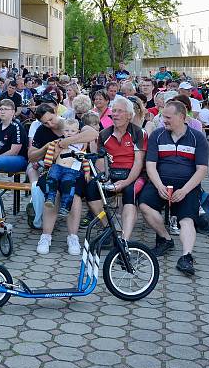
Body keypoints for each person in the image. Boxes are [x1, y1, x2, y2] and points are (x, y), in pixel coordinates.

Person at [139, 100, 209, 276]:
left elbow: (202, 170)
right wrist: (159, 186)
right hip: (160, 182)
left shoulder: (197, 137)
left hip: (187, 186)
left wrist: (185, 190)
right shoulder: (157, 135)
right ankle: (166, 239)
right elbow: (151, 165)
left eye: (168, 117)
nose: (164, 120)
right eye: (163, 116)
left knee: (187, 219)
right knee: (145, 205)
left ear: (182, 117)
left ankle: (186, 257)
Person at [30, 105, 99, 255]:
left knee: (74, 194)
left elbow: (92, 134)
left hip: (75, 170)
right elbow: (31, 156)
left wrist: (68, 141)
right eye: (45, 123)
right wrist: (46, 148)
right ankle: (46, 236)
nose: (50, 124)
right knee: (53, 193)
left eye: (51, 119)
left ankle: (72, 237)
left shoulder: (71, 123)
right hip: (53, 170)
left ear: (56, 112)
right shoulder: (42, 131)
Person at [86, 97, 147, 241]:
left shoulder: (139, 133)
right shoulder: (104, 134)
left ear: (129, 115)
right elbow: (100, 162)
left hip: (133, 174)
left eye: (120, 111)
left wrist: (125, 182)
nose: (115, 114)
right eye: (113, 111)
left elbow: (138, 163)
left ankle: (124, 240)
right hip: (111, 173)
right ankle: (109, 229)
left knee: (129, 193)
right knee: (91, 189)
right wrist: (103, 179)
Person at [44, 118, 85, 217]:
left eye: (73, 131)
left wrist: (87, 171)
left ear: (78, 132)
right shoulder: (57, 142)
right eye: (67, 131)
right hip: (57, 166)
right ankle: (50, 198)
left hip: (71, 170)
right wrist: (48, 163)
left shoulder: (80, 145)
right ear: (62, 131)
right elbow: (51, 156)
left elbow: (85, 158)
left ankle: (65, 206)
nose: (69, 133)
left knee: (68, 185)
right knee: (51, 179)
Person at [0, 99, 27, 173]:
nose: (2, 111)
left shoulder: (16, 127)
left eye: (6, 109)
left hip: (17, 159)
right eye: (1, 109)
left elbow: (14, 151)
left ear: (13, 112)